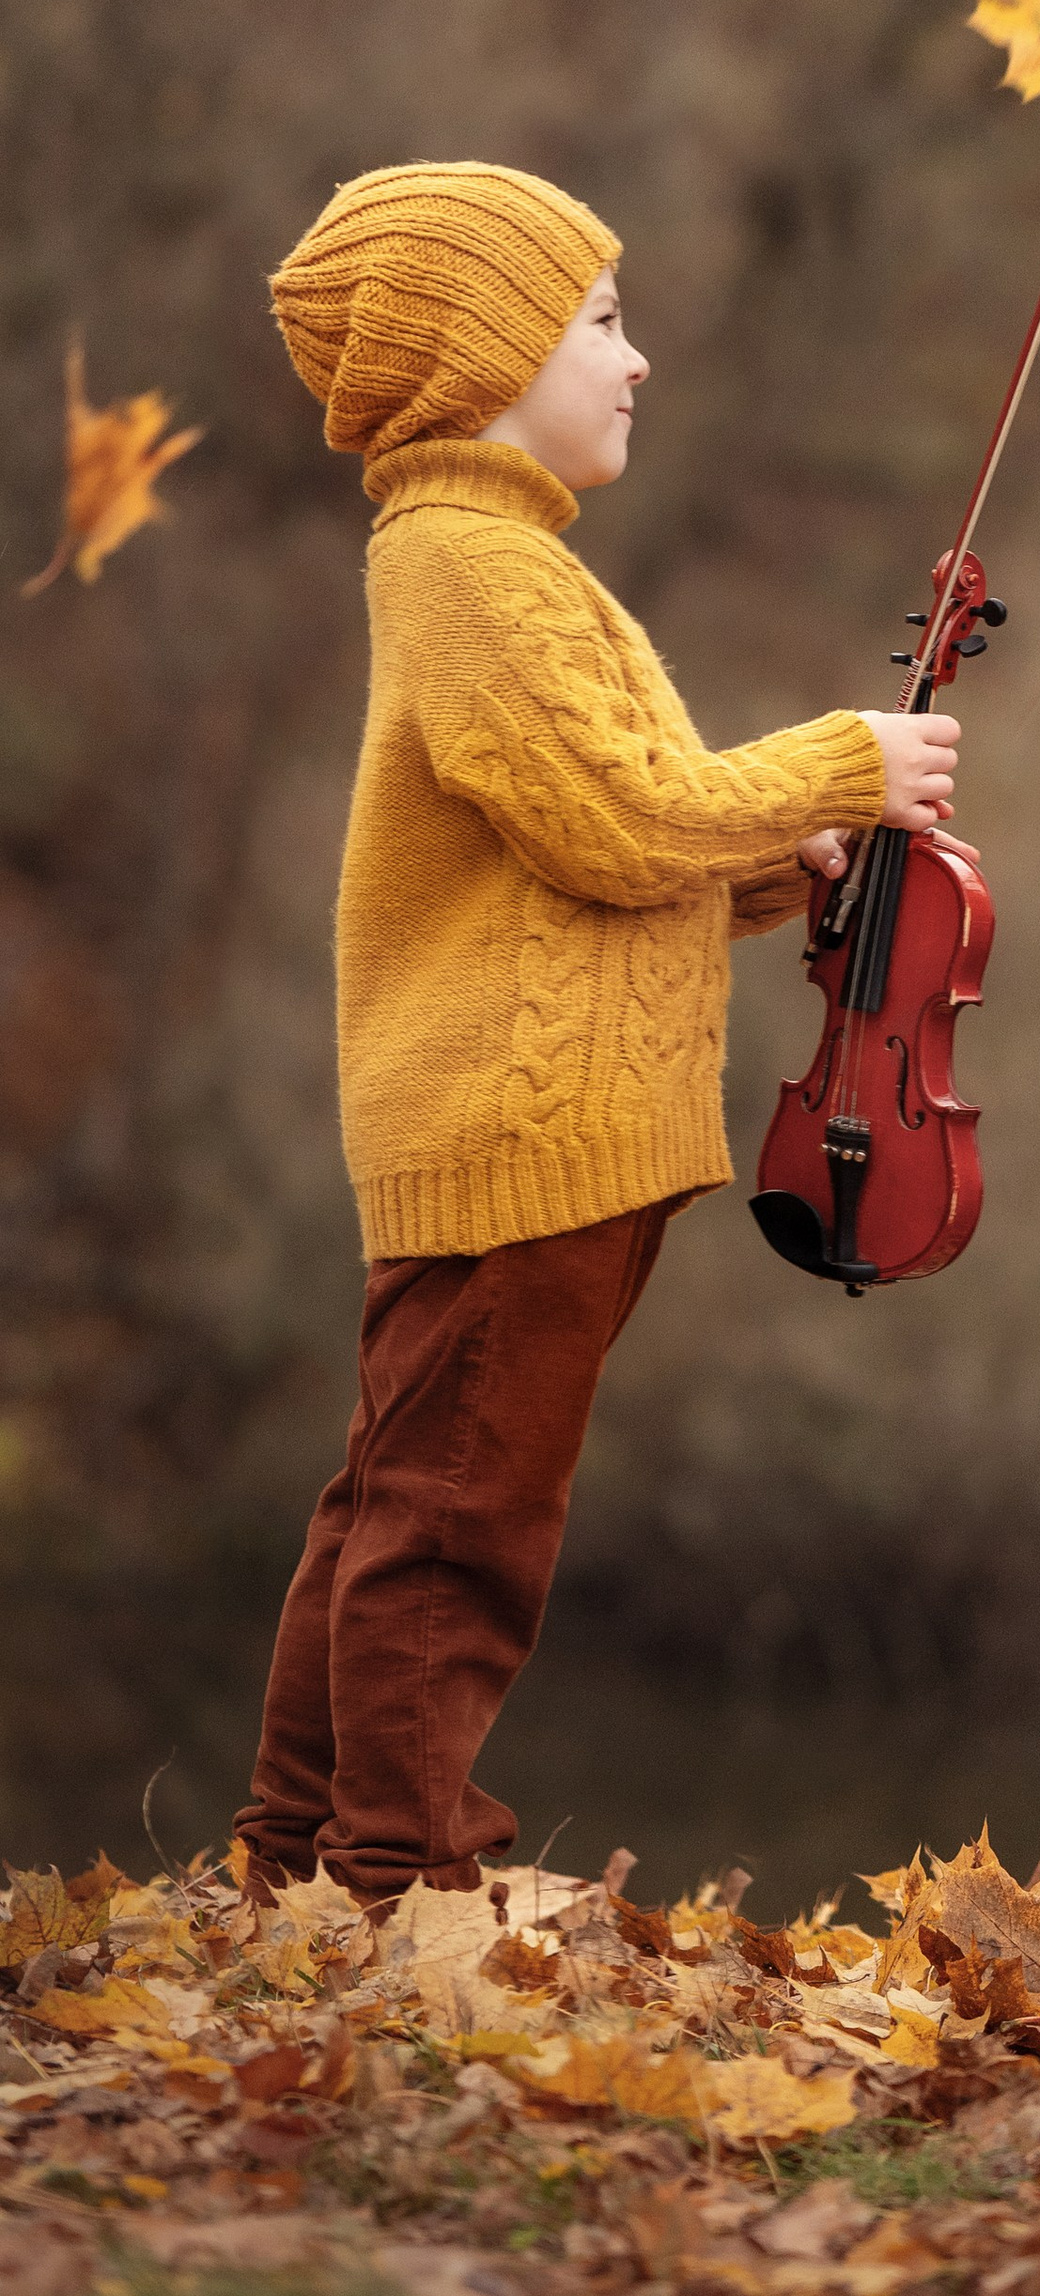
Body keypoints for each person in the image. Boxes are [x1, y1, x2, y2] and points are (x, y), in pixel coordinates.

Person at [235, 160, 959, 1899]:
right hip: (519, 1128)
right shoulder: (471, 567)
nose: (636, 361)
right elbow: (619, 819)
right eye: (604, 322)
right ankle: (402, 1880)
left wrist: (782, 857)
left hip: (548, 1129)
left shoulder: (505, 566)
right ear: (483, 352)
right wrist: (841, 761)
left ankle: (293, 1853)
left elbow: (605, 852)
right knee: (458, 1521)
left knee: (401, 1491)